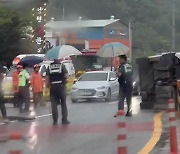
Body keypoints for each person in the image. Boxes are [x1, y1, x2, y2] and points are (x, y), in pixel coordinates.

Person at [46, 59, 70, 125]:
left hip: (53, 87)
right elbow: (66, 76)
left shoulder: (49, 67)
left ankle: (55, 121)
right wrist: (65, 81)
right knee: (63, 104)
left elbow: (47, 78)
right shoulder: (62, 66)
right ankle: (64, 120)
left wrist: (49, 86)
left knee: (53, 105)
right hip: (61, 87)